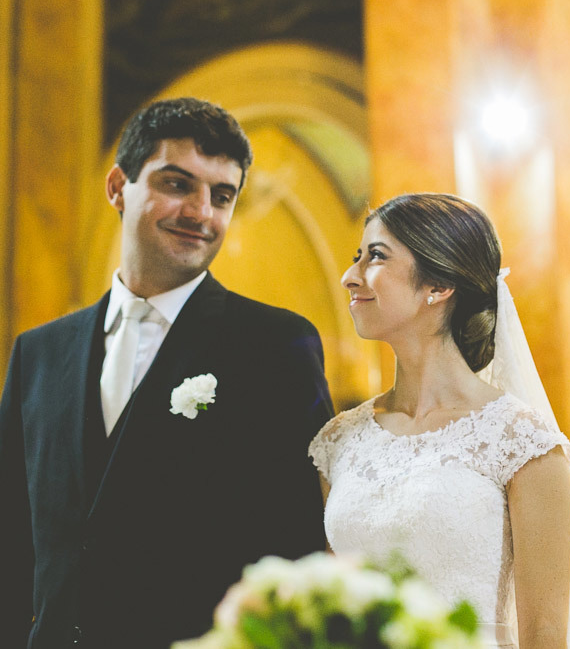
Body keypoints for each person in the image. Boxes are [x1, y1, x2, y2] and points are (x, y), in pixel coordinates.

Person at [0, 98, 333, 648]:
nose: (201, 213)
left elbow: (295, 548)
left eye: (222, 196)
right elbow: (13, 539)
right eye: (178, 184)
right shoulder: (38, 353)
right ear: (118, 187)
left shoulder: (276, 346)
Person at [309, 193, 570, 648]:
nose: (350, 276)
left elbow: (545, 634)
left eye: (376, 257)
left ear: (438, 285)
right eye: (357, 257)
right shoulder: (341, 439)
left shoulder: (520, 442)